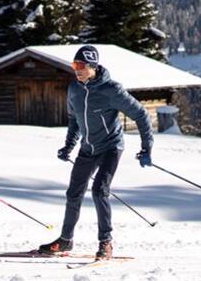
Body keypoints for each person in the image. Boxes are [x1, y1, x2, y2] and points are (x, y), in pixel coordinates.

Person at [37, 45, 153, 260]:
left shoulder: (111, 90)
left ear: (93, 67)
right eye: (74, 65)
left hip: (110, 147)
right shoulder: (74, 89)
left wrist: (146, 148)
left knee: (100, 190)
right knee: (73, 193)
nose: (76, 70)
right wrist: (69, 145)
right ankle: (65, 240)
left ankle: (106, 243)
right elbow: (74, 119)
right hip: (88, 148)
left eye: (81, 66)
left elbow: (142, 115)